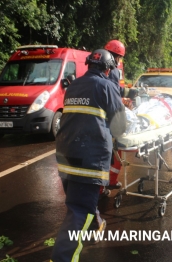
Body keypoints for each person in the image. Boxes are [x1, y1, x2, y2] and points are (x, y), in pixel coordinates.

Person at [51, 49, 126, 262]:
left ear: (88, 65)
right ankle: (62, 259)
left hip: (66, 156)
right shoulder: (107, 86)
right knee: (79, 211)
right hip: (89, 159)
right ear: (108, 69)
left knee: (79, 201)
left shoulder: (74, 85)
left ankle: (97, 225)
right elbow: (120, 127)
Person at [102, 39, 137, 192]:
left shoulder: (98, 69)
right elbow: (114, 97)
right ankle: (105, 185)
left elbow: (113, 92)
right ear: (116, 57)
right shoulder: (114, 71)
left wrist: (124, 95)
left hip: (96, 118)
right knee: (112, 151)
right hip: (108, 120)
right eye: (120, 58)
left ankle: (105, 184)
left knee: (105, 154)